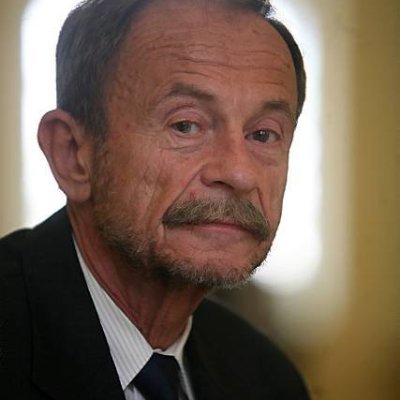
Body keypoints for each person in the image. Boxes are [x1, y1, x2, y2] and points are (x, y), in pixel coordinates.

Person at [0, 0, 310, 398]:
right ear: (72, 154)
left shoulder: (268, 378)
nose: (239, 173)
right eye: (186, 125)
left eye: (263, 135)